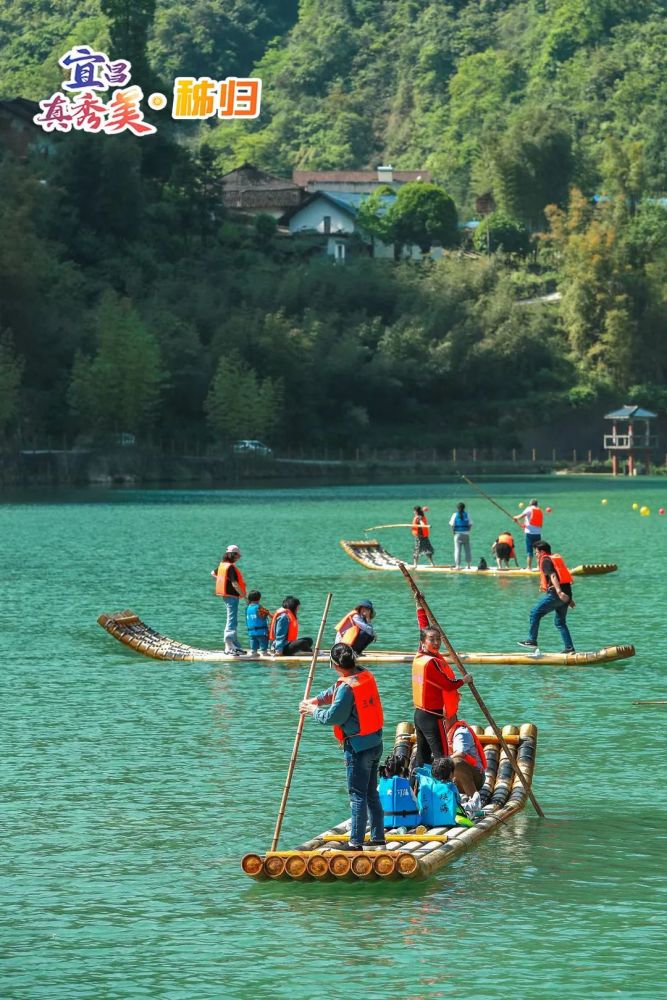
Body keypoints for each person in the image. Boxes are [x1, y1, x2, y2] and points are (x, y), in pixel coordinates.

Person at [300, 643, 385, 850]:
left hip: (358, 747)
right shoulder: (364, 675)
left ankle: (355, 842)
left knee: (357, 795)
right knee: (371, 792)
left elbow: (333, 716)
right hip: (375, 742)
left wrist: (312, 711)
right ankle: (377, 837)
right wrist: (317, 700)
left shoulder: (347, 688)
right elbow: (335, 691)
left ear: (335, 665)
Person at [413, 604, 484, 798]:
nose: (436, 643)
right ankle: (443, 796)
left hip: (419, 715)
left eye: (438, 639)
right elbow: (448, 684)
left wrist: (420, 609)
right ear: (424, 642)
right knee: (442, 759)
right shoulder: (431, 663)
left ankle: (416, 792)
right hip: (433, 716)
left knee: (422, 757)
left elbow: (423, 628)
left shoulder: (421, 654)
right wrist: (465, 680)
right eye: (432, 640)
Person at [518, 540, 576, 653]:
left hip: (556, 594)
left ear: (542, 552)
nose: (536, 555)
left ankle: (532, 640)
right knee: (560, 622)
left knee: (534, 612)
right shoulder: (554, 560)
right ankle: (569, 648)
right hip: (566, 595)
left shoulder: (545, 561)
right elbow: (564, 581)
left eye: (536, 553)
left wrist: (559, 593)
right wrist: (568, 600)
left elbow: (553, 576)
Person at [211, 544, 247, 655]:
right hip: (232, 596)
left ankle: (235, 645)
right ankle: (228, 645)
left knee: (233, 620)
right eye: (237, 555)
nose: (239, 557)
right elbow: (235, 584)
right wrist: (245, 597)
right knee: (231, 620)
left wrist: (222, 581)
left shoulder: (223, 565)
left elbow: (213, 573)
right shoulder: (230, 567)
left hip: (227, 596)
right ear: (232, 555)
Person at [513, 499, 544, 570]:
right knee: (538, 551)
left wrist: (515, 517)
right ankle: (539, 567)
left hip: (529, 534)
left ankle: (529, 567)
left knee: (529, 551)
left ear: (530, 504)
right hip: (538, 534)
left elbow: (521, 516)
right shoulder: (539, 510)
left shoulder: (529, 509)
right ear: (537, 504)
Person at [246, 590, 271, 656]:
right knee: (263, 641)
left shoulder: (248, 608)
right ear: (259, 598)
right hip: (261, 631)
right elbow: (262, 617)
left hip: (251, 631)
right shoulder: (258, 607)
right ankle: (264, 652)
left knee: (253, 641)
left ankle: (254, 652)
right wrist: (266, 614)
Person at [449, 502, 473, 569]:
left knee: (457, 550)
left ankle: (458, 566)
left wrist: (453, 532)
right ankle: (468, 565)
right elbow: (470, 524)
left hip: (457, 534)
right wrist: (468, 531)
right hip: (466, 534)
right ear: (464, 507)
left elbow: (451, 524)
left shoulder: (454, 514)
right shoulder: (467, 514)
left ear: (457, 508)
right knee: (467, 550)